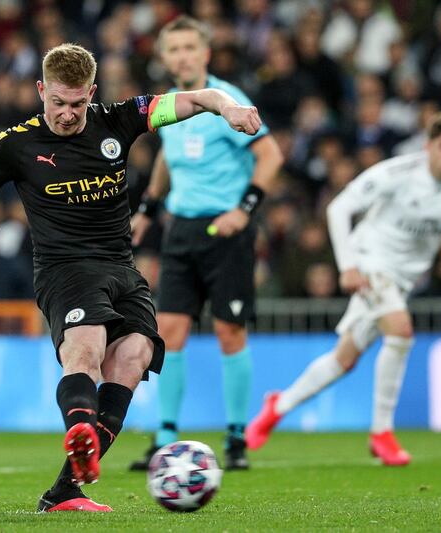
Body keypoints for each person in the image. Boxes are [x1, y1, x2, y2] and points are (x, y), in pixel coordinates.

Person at [0, 43, 261, 511]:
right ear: (41, 90)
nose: (67, 114)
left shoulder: (119, 119)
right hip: (65, 271)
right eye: (58, 103)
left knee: (135, 355)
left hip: (121, 268)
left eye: (78, 104)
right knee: (85, 349)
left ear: (92, 94)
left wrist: (228, 107)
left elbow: (193, 99)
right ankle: (80, 428)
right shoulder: (16, 144)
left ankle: (65, 491)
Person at [246, 112, 441, 465]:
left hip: (405, 278)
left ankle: (277, 406)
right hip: (370, 261)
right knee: (401, 331)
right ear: (428, 147)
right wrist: (348, 265)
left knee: (344, 360)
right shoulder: (398, 173)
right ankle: (382, 433)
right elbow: (339, 208)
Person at [128, 15, 284, 472]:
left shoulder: (227, 100)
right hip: (181, 231)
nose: (182, 56)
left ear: (206, 53)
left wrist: (245, 209)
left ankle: (236, 437)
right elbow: (166, 160)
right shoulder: (172, 106)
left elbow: (270, 154)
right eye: (173, 49)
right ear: (164, 57)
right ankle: (165, 438)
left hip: (226, 231)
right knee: (169, 334)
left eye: (189, 48)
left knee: (228, 331)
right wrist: (147, 211)